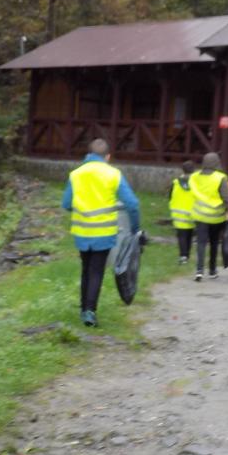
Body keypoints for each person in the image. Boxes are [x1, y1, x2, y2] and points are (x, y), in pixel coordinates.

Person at [61, 138, 141, 327]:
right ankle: (90, 311)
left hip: (82, 231)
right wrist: (135, 228)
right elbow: (133, 204)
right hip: (104, 232)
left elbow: (66, 204)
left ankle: (84, 309)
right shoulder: (113, 174)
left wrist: (82, 209)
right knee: (96, 270)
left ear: (89, 154)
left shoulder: (76, 174)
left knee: (86, 269)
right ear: (108, 156)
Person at [189, 152, 228, 281]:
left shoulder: (195, 176)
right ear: (217, 163)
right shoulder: (220, 177)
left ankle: (199, 271)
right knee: (214, 243)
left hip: (199, 215)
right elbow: (226, 198)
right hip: (216, 217)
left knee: (201, 243)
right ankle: (212, 270)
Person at [169, 160, 196, 264]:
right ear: (193, 170)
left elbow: (170, 196)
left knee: (181, 235)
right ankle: (187, 255)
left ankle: (183, 256)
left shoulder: (175, 182)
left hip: (178, 214)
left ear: (182, 170)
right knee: (189, 234)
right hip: (192, 213)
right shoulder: (196, 183)